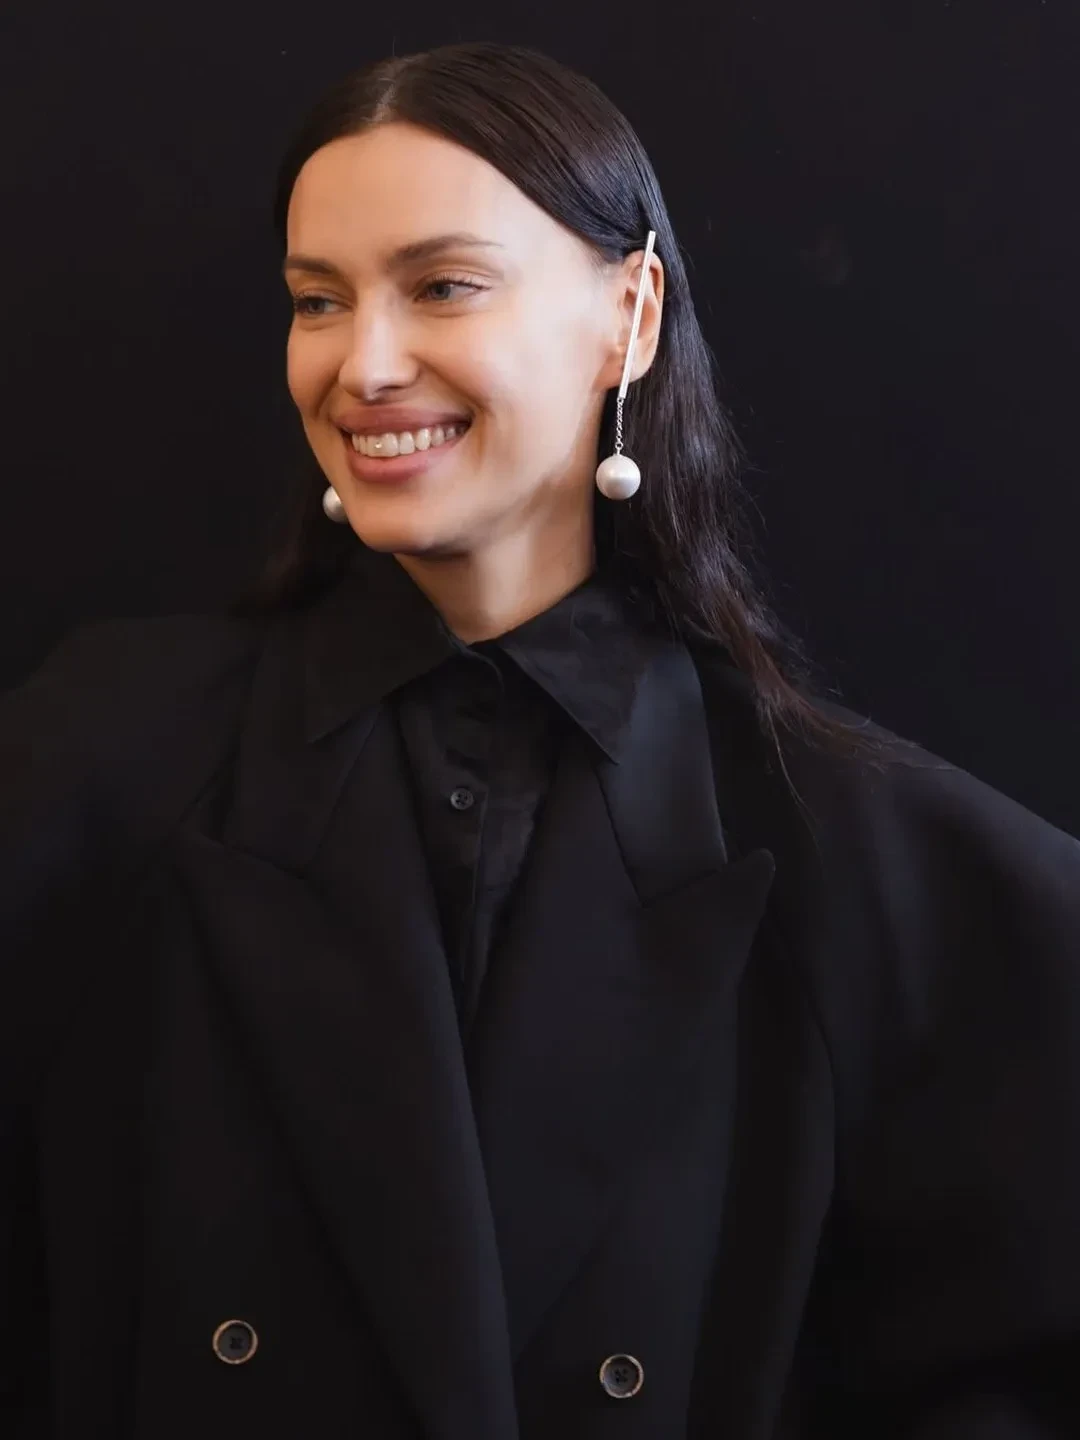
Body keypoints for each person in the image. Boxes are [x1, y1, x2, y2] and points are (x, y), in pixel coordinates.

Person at [2, 37, 1079, 1440]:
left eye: (442, 285)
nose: (361, 364)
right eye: (317, 300)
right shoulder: (102, 761)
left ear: (629, 316)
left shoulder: (849, 852)